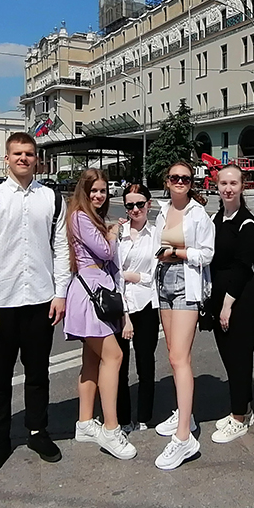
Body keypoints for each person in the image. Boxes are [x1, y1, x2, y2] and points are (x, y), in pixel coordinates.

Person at [0, 132, 69, 476]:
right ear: (7, 159)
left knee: (38, 374)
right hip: (1, 303)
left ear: (37, 159)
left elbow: (61, 247)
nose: (23, 158)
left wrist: (60, 293)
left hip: (40, 300)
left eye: (29, 153)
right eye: (17, 154)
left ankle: (38, 431)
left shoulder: (52, 198)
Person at [65, 169, 136, 461]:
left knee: (92, 360)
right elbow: (106, 251)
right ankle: (110, 428)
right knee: (114, 356)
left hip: (93, 290)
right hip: (90, 292)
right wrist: (114, 232)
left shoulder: (86, 217)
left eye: (103, 191)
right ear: (83, 191)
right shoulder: (81, 217)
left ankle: (84, 422)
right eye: (93, 190)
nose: (99, 195)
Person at [152, 161, 215, 470]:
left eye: (185, 178)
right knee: (173, 354)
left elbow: (207, 253)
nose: (180, 182)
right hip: (163, 280)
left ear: (192, 183)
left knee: (179, 358)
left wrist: (177, 253)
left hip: (185, 282)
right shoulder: (163, 210)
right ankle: (184, 414)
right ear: (167, 181)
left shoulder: (198, 213)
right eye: (175, 177)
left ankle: (184, 438)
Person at [208, 164, 254, 443]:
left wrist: (227, 305)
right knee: (229, 357)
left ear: (243, 187)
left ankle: (239, 417)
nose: (228, 189)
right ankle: (244, 407)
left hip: (240, 299)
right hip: (220, 297)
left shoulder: (246, 222)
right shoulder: (217, 218)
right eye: (223, 184)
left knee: (239, 357)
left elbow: (243, 266)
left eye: (233, 184)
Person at [115, 184, 160, 433]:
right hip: (119, 306)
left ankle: (145, 415)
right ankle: (123, 418)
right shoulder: (117, 232)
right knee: (119, 364)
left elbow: (155, 274)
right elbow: (112, 273)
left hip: (145, 304)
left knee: (145, 361)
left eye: (140, 204)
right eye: (130, 205)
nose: (135, 209)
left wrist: (134, 276)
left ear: (148, 205)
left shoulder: (155, 234)